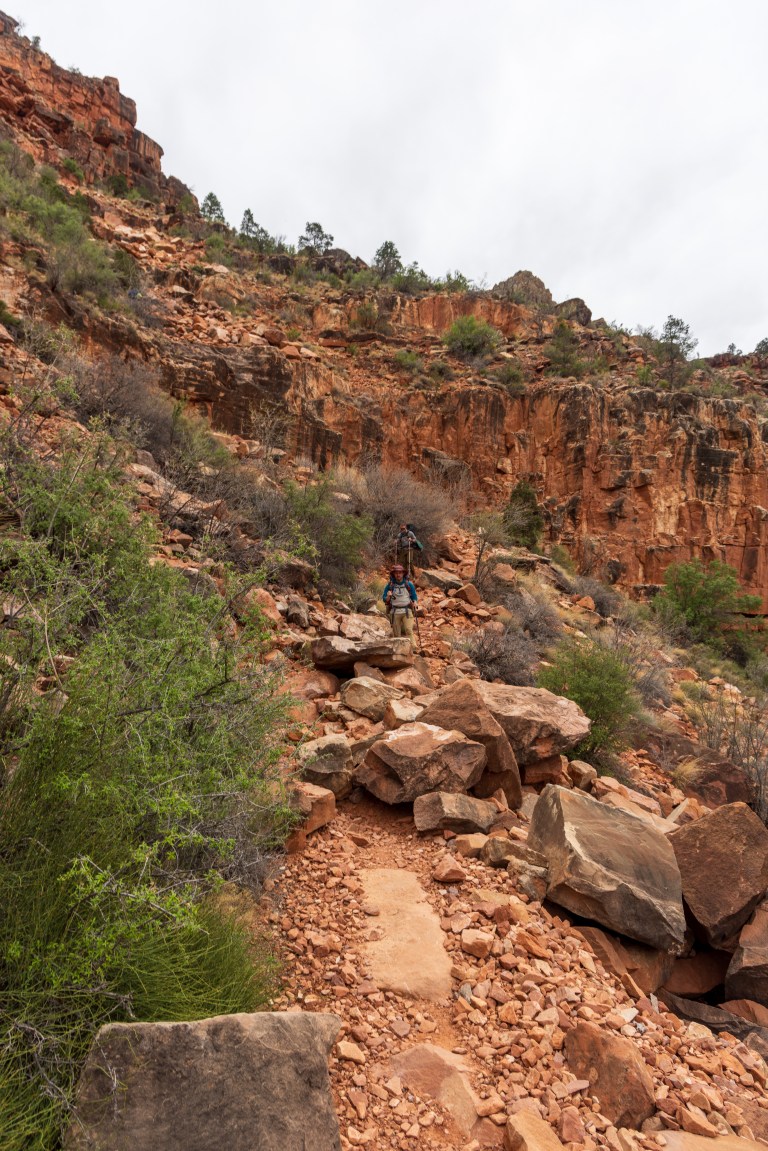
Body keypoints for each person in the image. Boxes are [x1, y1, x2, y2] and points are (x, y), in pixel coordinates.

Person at [382, 564, 418, 649]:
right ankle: (399, 650)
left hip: (407, 611)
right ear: (393, 574)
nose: (398, 574)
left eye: (400, 572)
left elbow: (414, 596)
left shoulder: (409, 584)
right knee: (396, 633)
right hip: (395, 611)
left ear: (403, 574)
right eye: (396, 573)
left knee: (409, 630)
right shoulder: (390, 586)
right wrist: (388, 596)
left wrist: (415, 602)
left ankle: (414, 648)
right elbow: (384, 599)